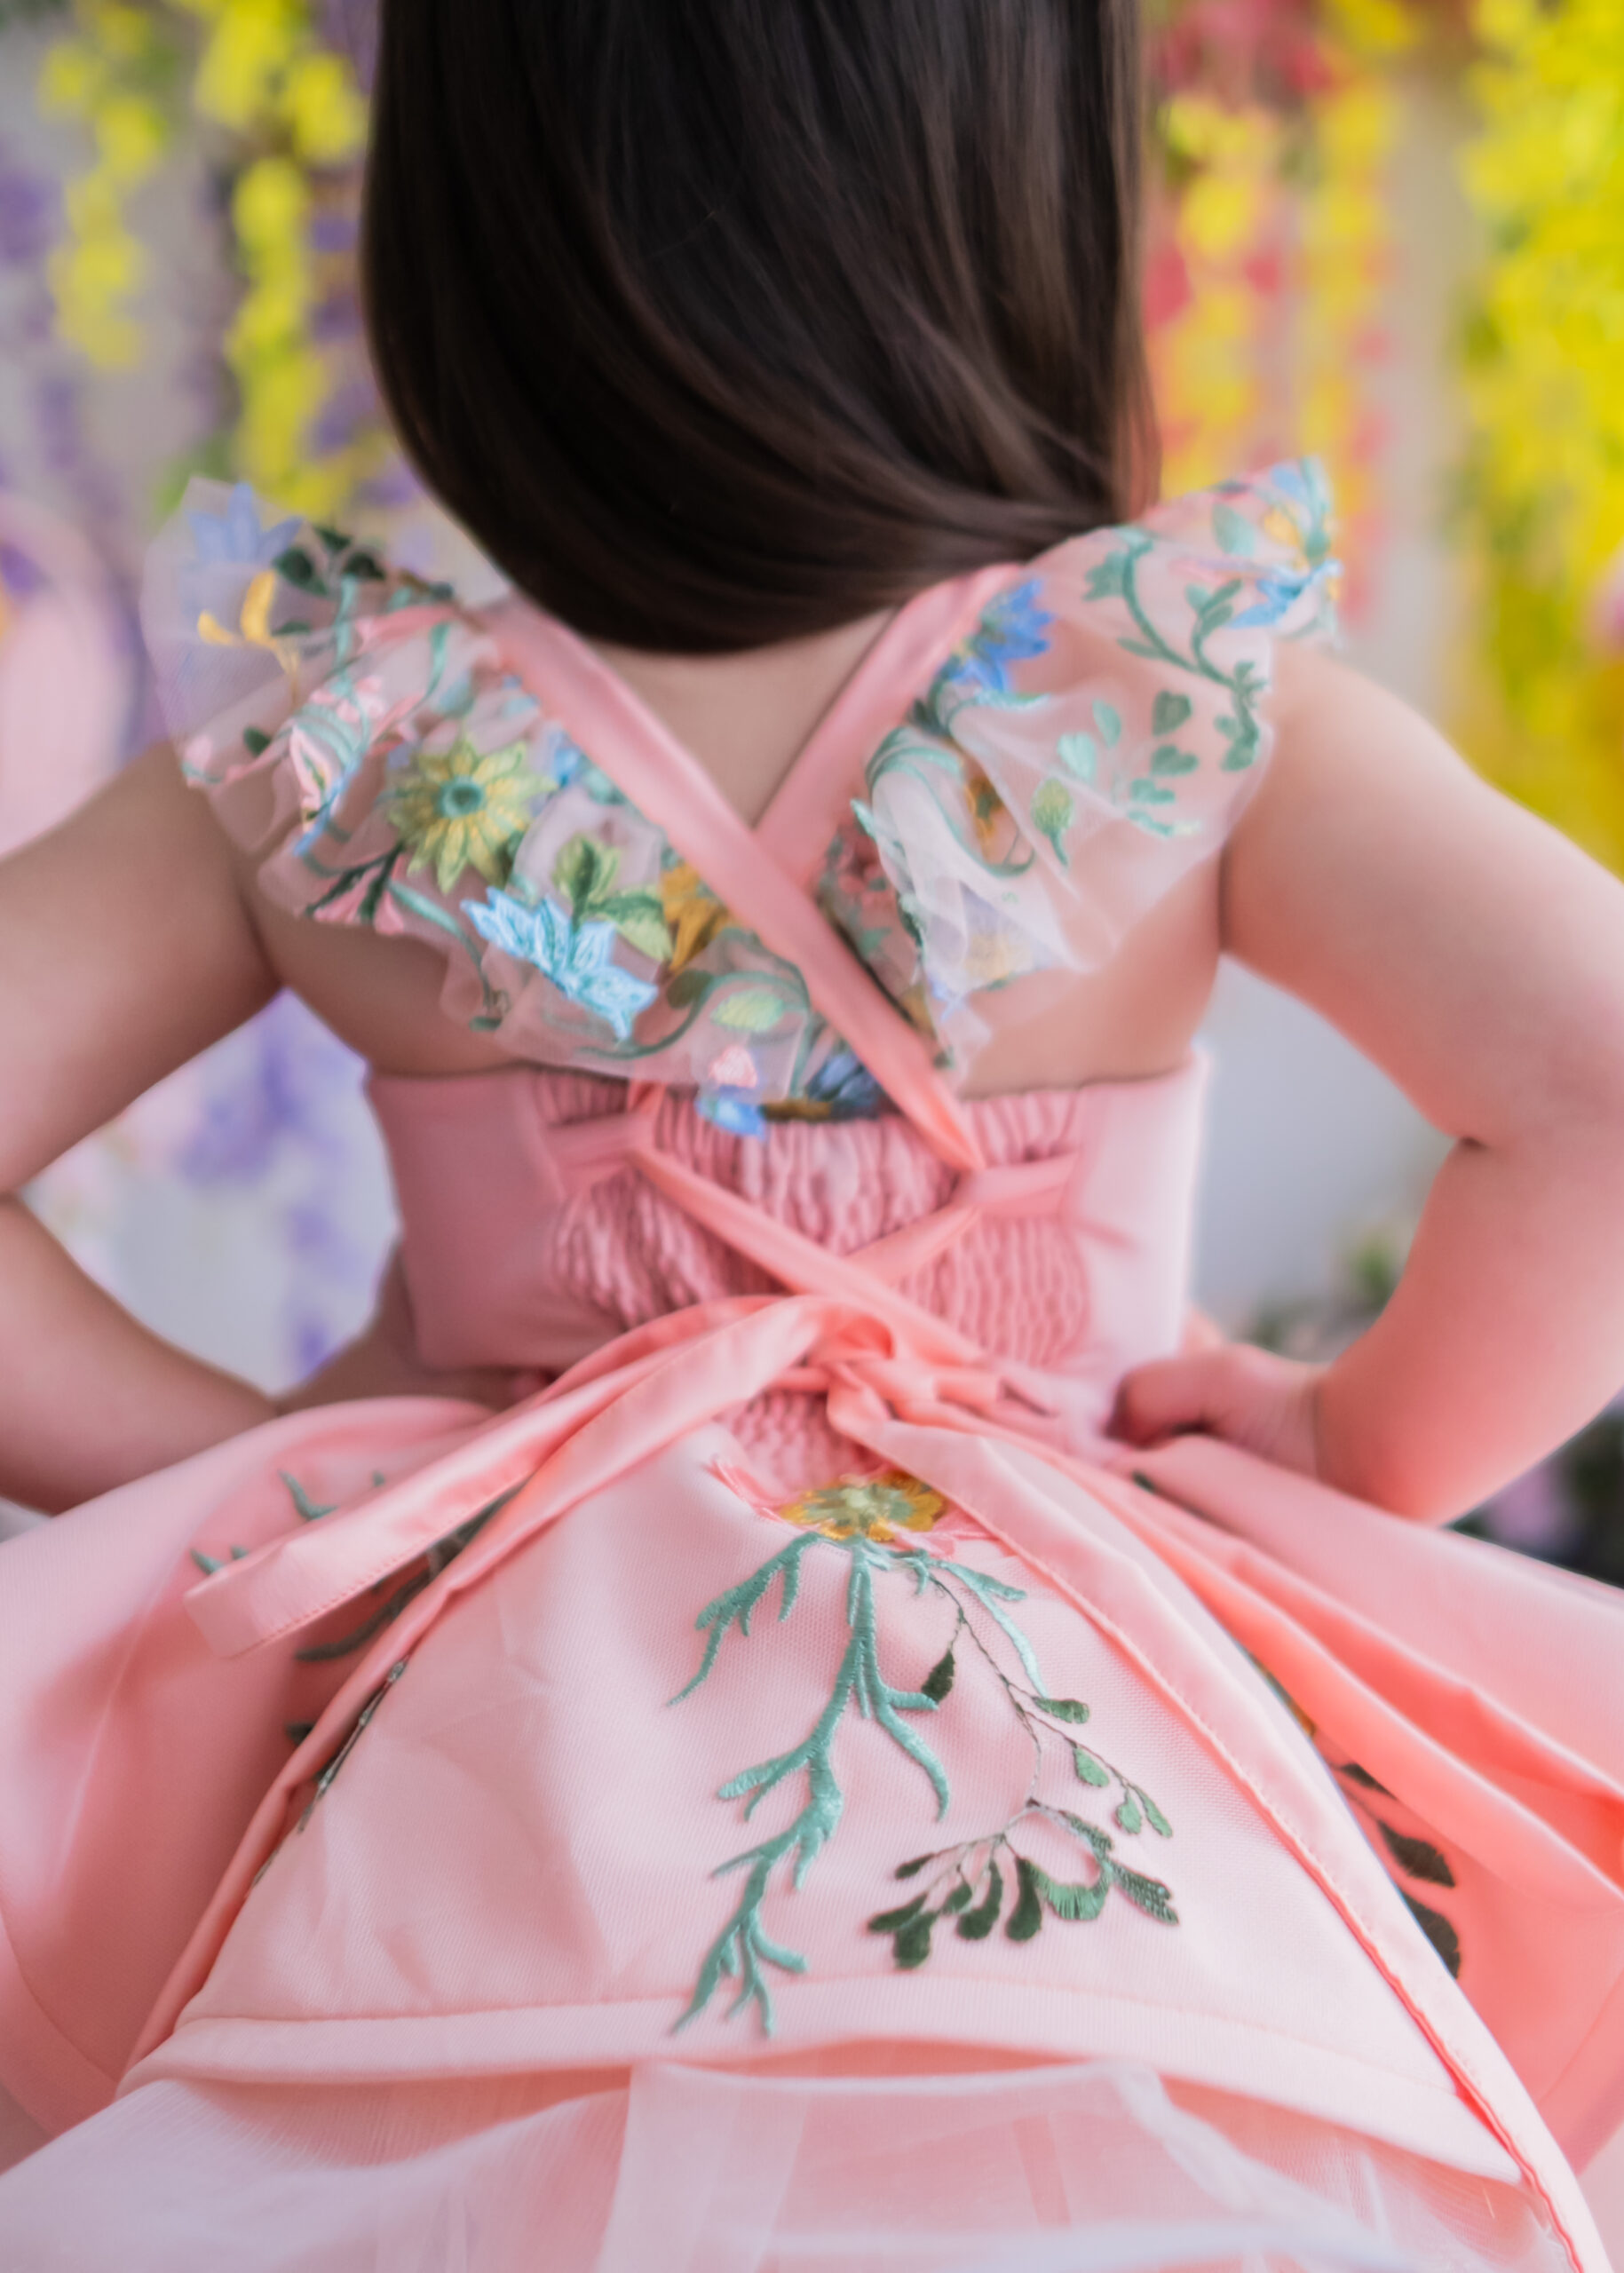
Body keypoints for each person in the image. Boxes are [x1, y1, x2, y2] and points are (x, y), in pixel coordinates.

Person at [0, 3, 1621, 2266]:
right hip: (1082, 1805)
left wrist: (273, 1475)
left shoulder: (355, 753)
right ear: (1042, 202)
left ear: (465, 235)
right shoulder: (1158, 707)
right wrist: (1357, 1443)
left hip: (499, 1803)